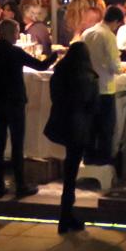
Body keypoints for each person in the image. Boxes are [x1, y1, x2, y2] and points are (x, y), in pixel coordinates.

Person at [0, 19, 55, 199]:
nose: (18, 36)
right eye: (17, 32)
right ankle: (20, 185)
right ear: (10, 33)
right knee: (17, 145)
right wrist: (55, 56)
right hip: (15, 102)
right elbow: (41, 66)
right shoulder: (15, 52)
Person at [43, 42, 97, 235]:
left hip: (61, 123)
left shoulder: (60, 73)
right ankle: (66, 216)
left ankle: (66, 215)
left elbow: (54, 96)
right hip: (79, 127)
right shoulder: (88, 77)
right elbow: (92, 104)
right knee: (71, 171)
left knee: (69, 169)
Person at [76, 6, 124, 165]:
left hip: (88, 86)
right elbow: (114, 65)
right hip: (105, 87)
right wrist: (120, 68)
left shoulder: (87, 33)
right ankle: (103, 159)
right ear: (116, 22)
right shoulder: (108, 36)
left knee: (90, 126)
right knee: (105, 127)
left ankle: (88, 156)